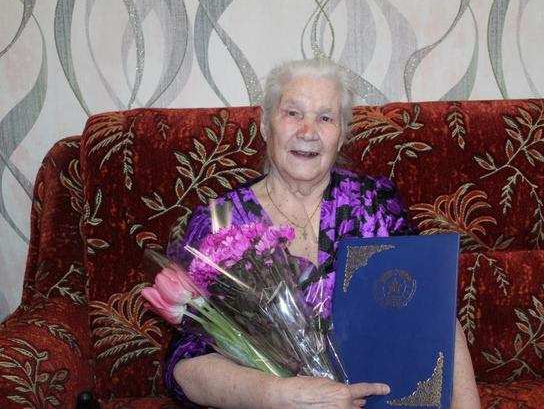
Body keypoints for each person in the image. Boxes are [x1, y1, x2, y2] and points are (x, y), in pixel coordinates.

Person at [165, 58, 481, 408]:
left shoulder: (374, 204)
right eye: (293, 113)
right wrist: (279, 395)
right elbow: (186, 366)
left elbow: (434, 310)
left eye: (326, 118)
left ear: (342, 134)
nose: (308, 131)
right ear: (266, 125)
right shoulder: (220, 223)